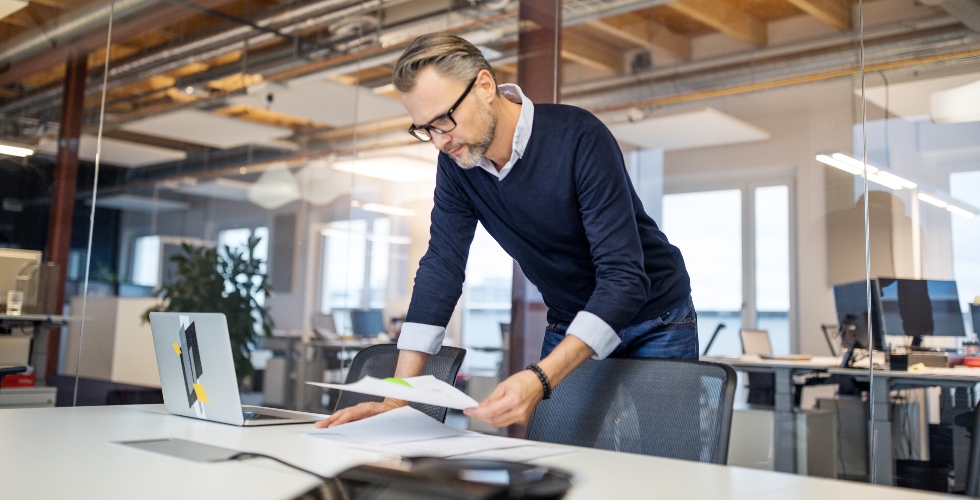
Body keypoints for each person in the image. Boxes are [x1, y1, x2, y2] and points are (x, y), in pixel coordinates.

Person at [315, 33, 694, 430]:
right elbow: (441, 267)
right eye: (425, 128)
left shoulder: (578, 136)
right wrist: (398, 396)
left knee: (666, 458)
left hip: (656, 316)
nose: (439, 141)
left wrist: (541, 378)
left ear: (483, 85)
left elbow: (623, 278)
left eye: (444, 119)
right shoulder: (456, 166)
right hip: (571, 318)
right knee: (558, 462)